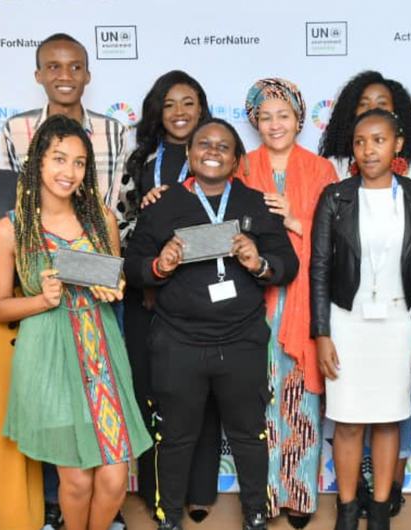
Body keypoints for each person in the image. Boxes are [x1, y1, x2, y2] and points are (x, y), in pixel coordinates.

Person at [124, 118, 298, 530]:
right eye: (204, 144)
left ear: (237, 159)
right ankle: (168, 516)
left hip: (241, 340)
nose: (213, 151)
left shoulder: (255, 203)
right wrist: (158, 265)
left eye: (223, 146)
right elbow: (131, 267)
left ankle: (256, 512)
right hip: (179, 341)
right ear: (189, 153)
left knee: (249, 433)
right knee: (176, 435)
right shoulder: (162, 205)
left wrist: (260, 262)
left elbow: (288, 263)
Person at [0, 114, 151, 530]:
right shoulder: (11, 229)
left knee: (114, 479)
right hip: (49, 356)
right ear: (39, 161)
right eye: (59, 159)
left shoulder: (101, 220)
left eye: (79, 163)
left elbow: (116, 279)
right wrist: (41, 300)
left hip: (100, 353)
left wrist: (113, 288)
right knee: (76, 481)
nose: (70, 172)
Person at [310, 108, 411, 530]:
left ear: (397, 144)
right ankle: (347, 508)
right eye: (360, 142)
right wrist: (322, 333)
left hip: (400, 323)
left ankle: (379, 510)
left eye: (378, 140)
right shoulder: (336, 197)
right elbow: (320, 268)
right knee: (346, 421)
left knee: (387, 417)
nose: (368, 149)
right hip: (348, 322)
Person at [121, 69, 222, 523]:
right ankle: (157, 489)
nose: (180, 113)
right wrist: (145, 212)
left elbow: (229, 220)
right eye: (170, 104)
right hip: (147, 298)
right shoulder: (141, 160)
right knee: (150, 394)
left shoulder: (219, 157)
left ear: (202, 108)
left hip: (202, 298)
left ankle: (199, 489)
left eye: (189, 103)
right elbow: (118, 227)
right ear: (157, 112)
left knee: (203, 393)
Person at [241, 77, 336, 528]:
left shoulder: (320, 171)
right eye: (265, 115)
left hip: (301, 303)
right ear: (254, 121)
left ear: (299, 119)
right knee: (259, 402)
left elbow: (337, 237)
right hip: (253, 302)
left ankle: (298, 494)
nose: (275, 123)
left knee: (302, 401)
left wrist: (295, 219)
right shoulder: (242, 165)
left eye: (284, 115)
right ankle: (263, 498)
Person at [2, 32, 135, 236]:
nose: (65, 75)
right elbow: (14, 201)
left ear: (87, 75)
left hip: (100, 247)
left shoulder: (113, 131)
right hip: (38, 253)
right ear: (38, 75)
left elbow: (120, 201)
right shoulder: (16, 129)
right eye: (54, 67)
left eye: (76, 67)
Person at [319, 70, 411, 187]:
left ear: (396, 110)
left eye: (382, 103)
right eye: (363, 104)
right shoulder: (335, 165)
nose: (372, 109)